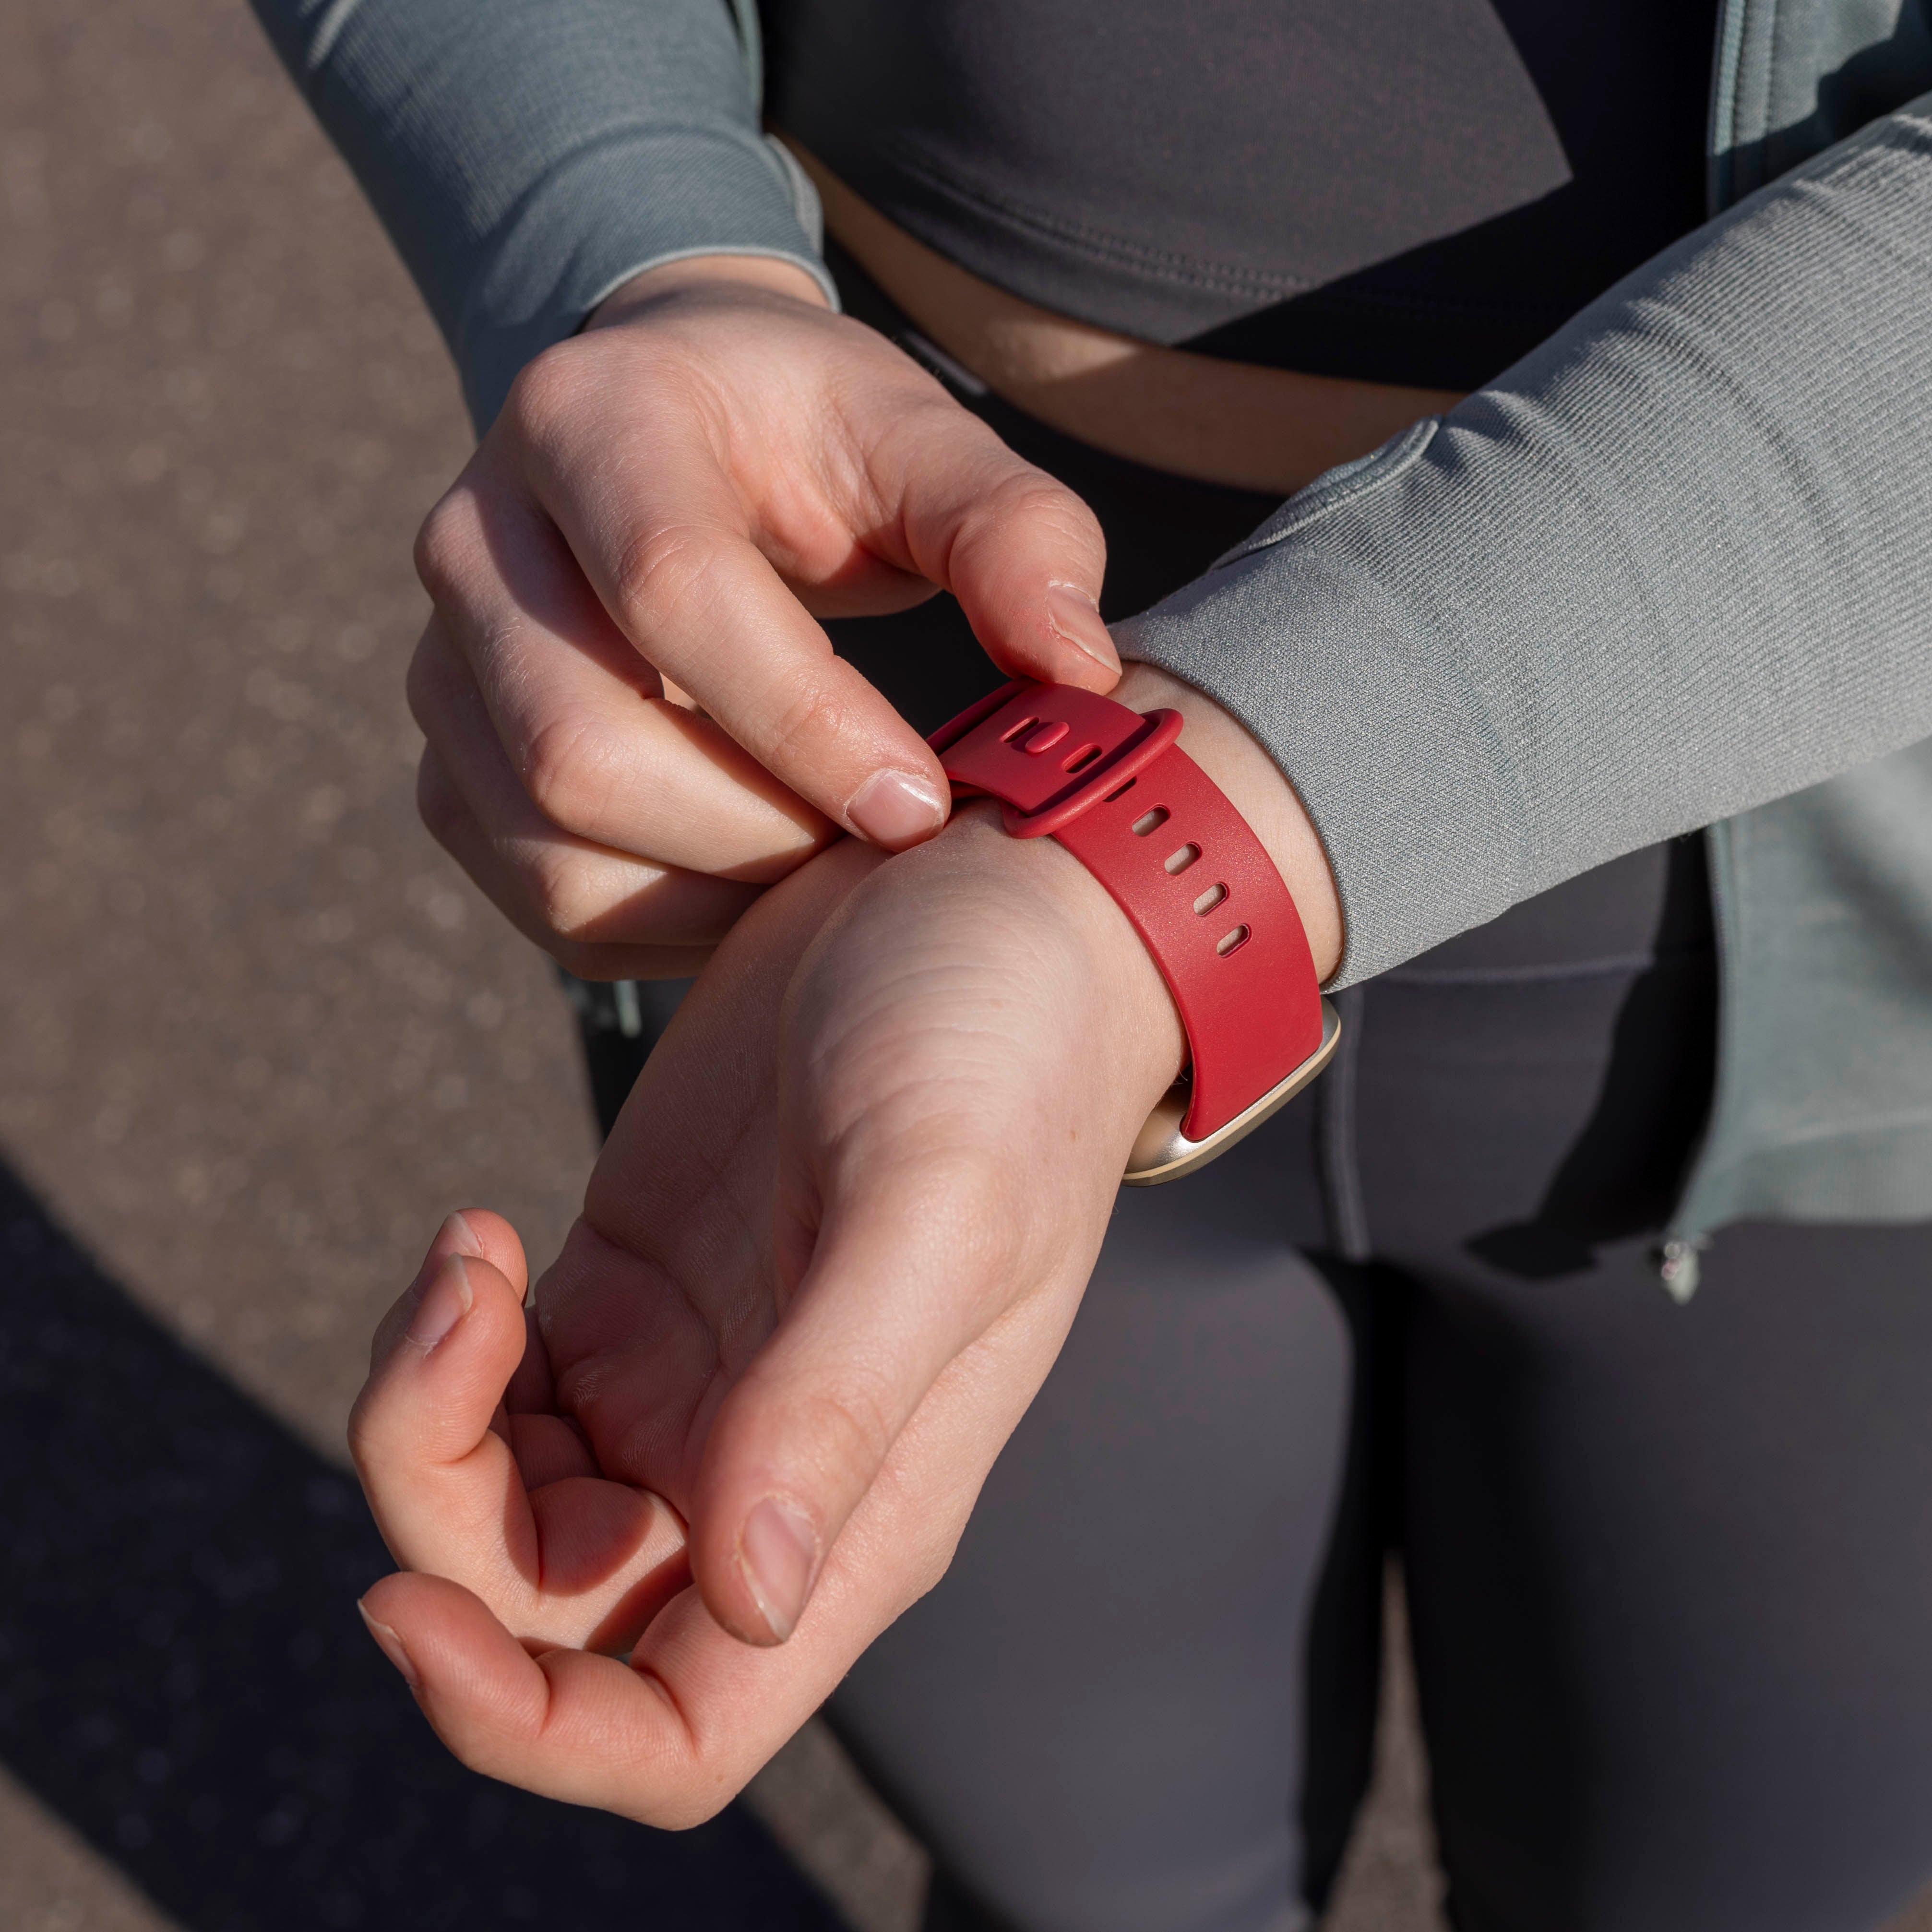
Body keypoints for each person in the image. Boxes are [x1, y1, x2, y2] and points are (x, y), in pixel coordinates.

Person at [256, 0, 1932, 1926]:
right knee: (1074, 1885)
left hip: (1839, 913)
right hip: (855, 768)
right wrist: (629, 263)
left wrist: (1152, 859)